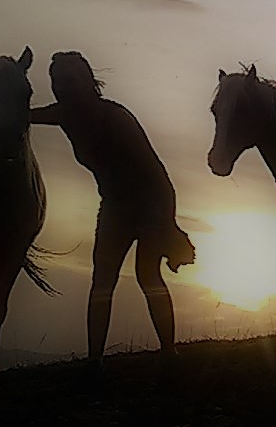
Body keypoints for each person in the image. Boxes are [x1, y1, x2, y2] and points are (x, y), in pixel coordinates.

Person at [31, 51, 195, 374]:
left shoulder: (115, 118)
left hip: (149, 203)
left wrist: (168, 225)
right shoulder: (65, 116)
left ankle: (169, 351)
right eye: (56, 82)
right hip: (114, 207)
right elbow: (25, 116)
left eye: (69, 81)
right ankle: (95, 360)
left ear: (87, 82)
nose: (62, 88)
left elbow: (157, 173)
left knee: (147, 274)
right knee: (102, 280)